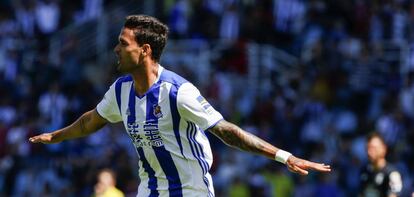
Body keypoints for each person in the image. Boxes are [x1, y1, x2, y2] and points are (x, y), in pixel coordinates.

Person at [29, 15, 331, 196]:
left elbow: (227, 131)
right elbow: (90, 122)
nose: (115, 49)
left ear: (145, 50)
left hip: (191, 191)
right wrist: (55, 136)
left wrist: (283, 156)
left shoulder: (178, 92)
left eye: (123, 43)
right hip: (149, 190)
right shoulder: (120, 91)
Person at [359, 132, 403, 197]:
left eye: (373, 148)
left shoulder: (392, 174)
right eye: (368, 148)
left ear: (384, 149)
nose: (369, 152)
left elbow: (394, 195)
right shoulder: (365, 170)